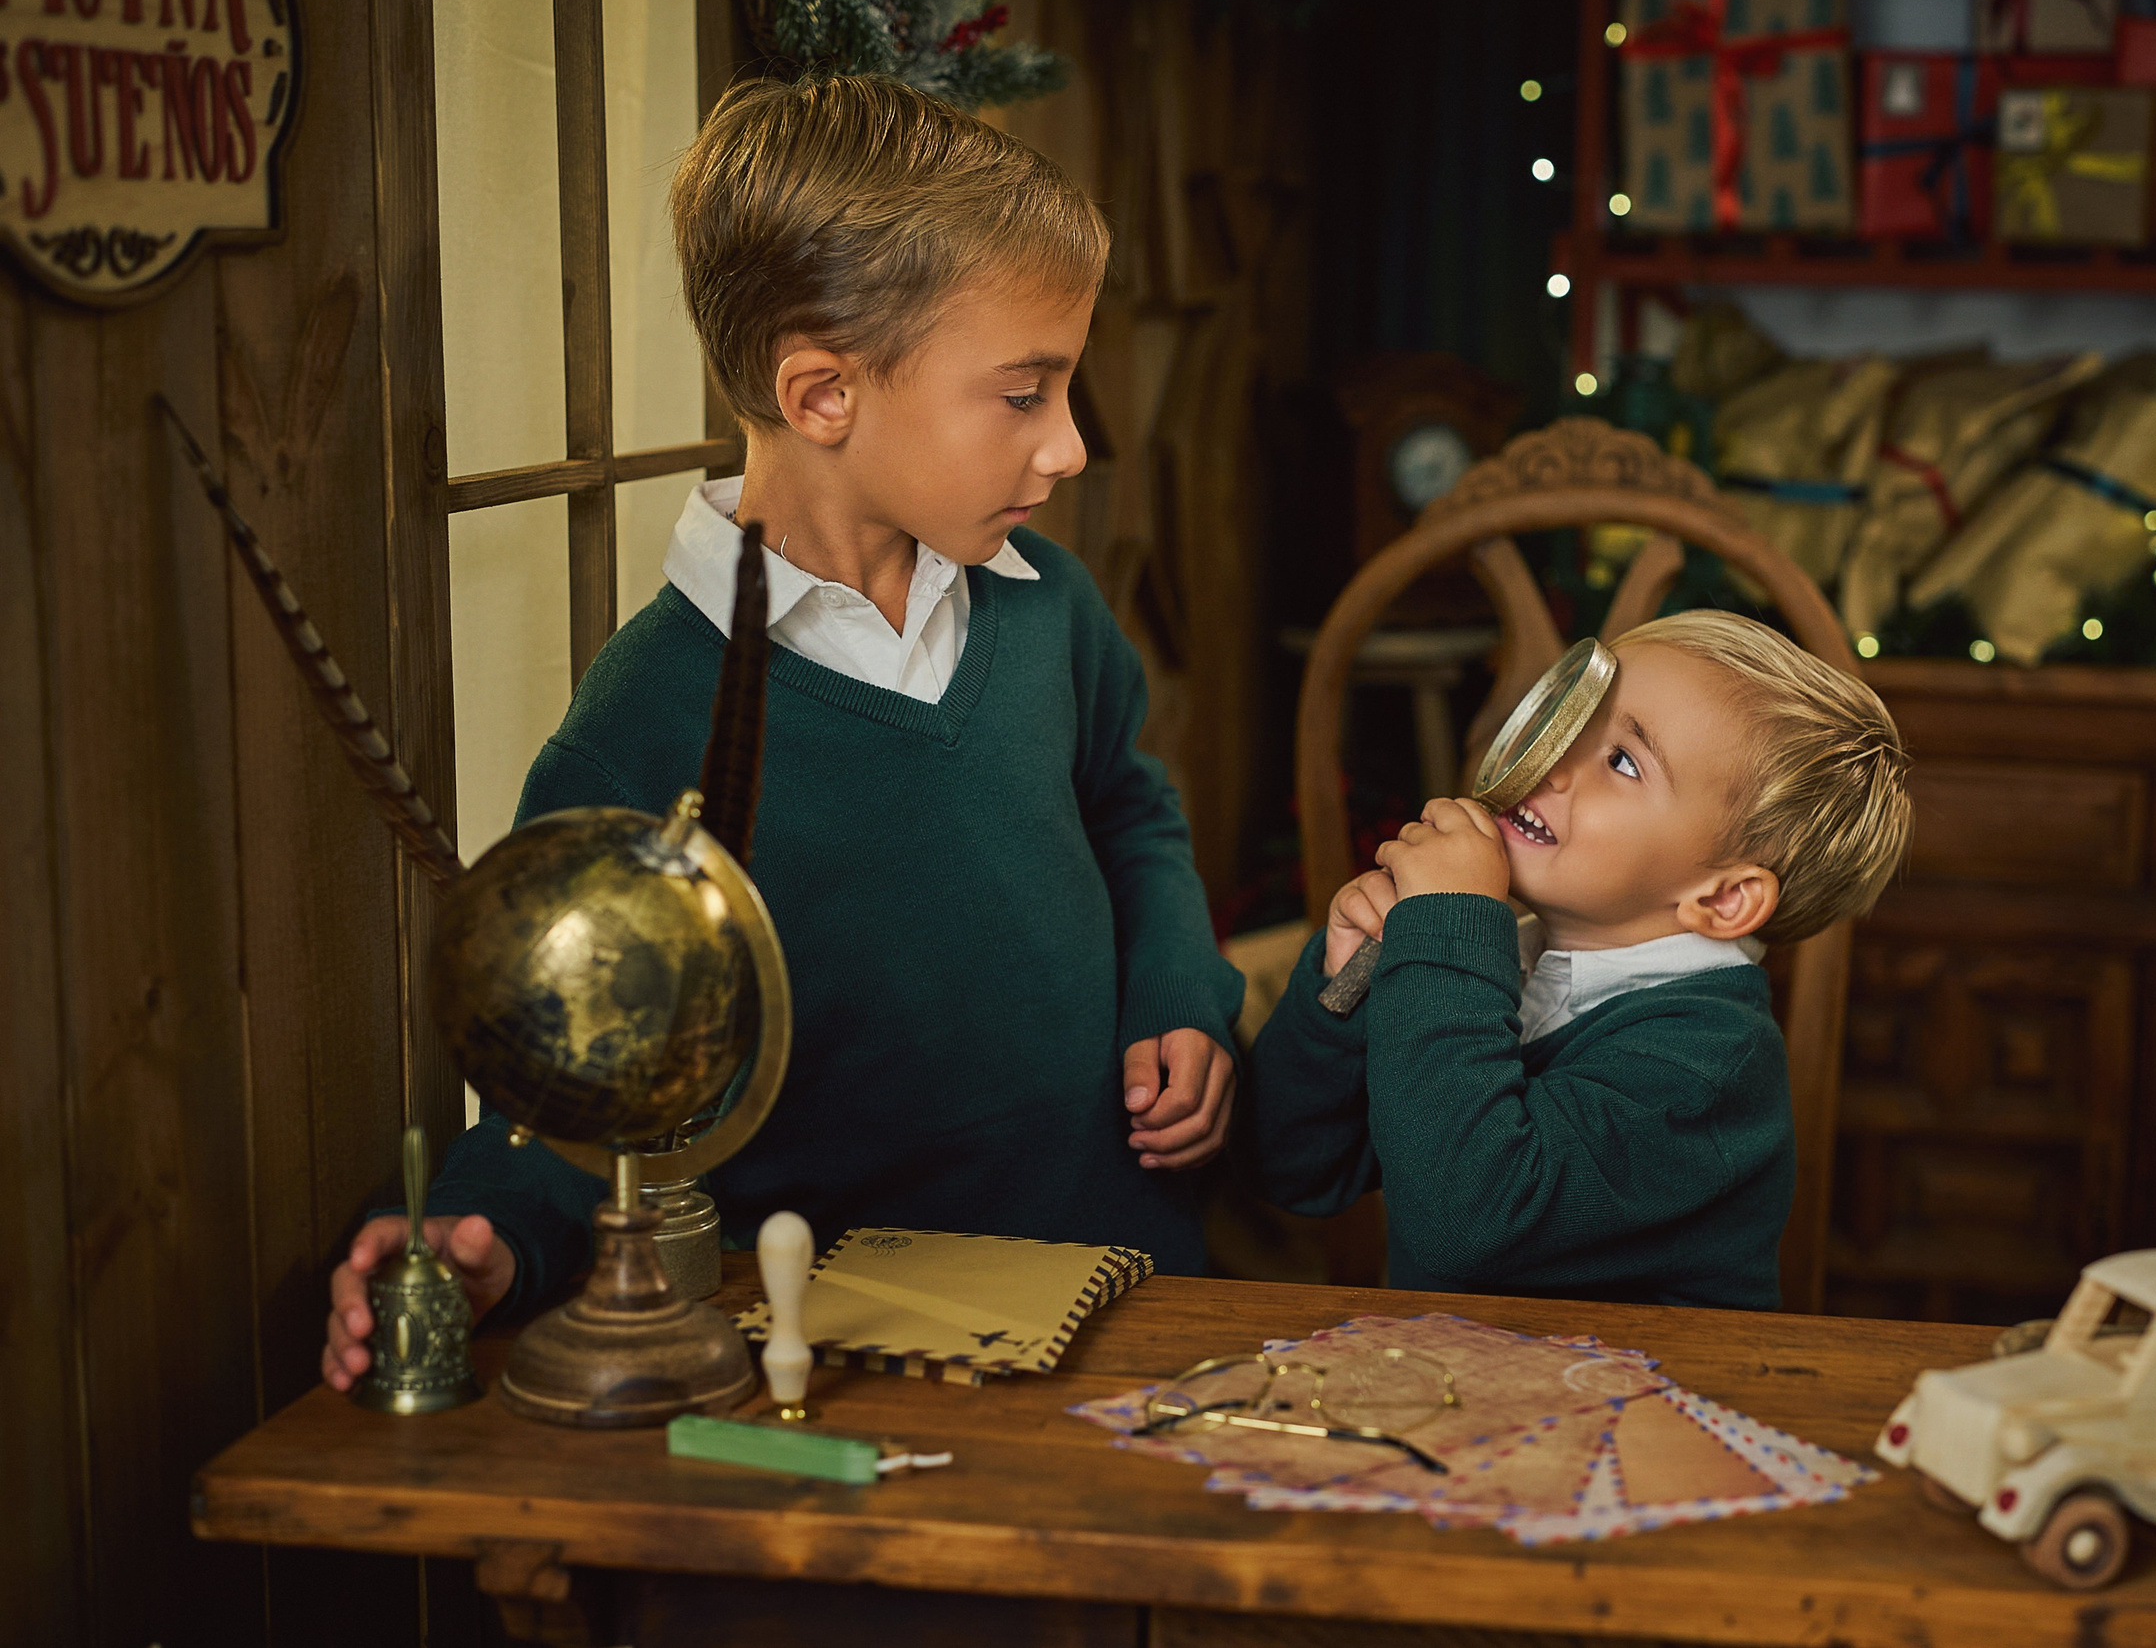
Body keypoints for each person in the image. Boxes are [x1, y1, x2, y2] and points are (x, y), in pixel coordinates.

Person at [323, 75, 1241, 1392]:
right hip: (862, 1361)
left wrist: (1179, 992)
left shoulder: (1049, 606)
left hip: (1142, 1287)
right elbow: (573, 1101)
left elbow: (1130, 808)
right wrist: (486, 1240)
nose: (1071, 448)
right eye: (1024, 394)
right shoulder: (635, 738)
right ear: (822, 395)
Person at [1248, 610, 1911, 1309]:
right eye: (1575, 722)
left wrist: (1452, 934)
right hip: (1456, 1372)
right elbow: (1288, 1165)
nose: (1554, 761)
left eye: (1623, 762)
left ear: (1722, 900)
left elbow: (1471, 1222)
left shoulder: (1708, 1066)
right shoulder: (1494, 967)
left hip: (1648, 1382)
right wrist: (1343, 987)